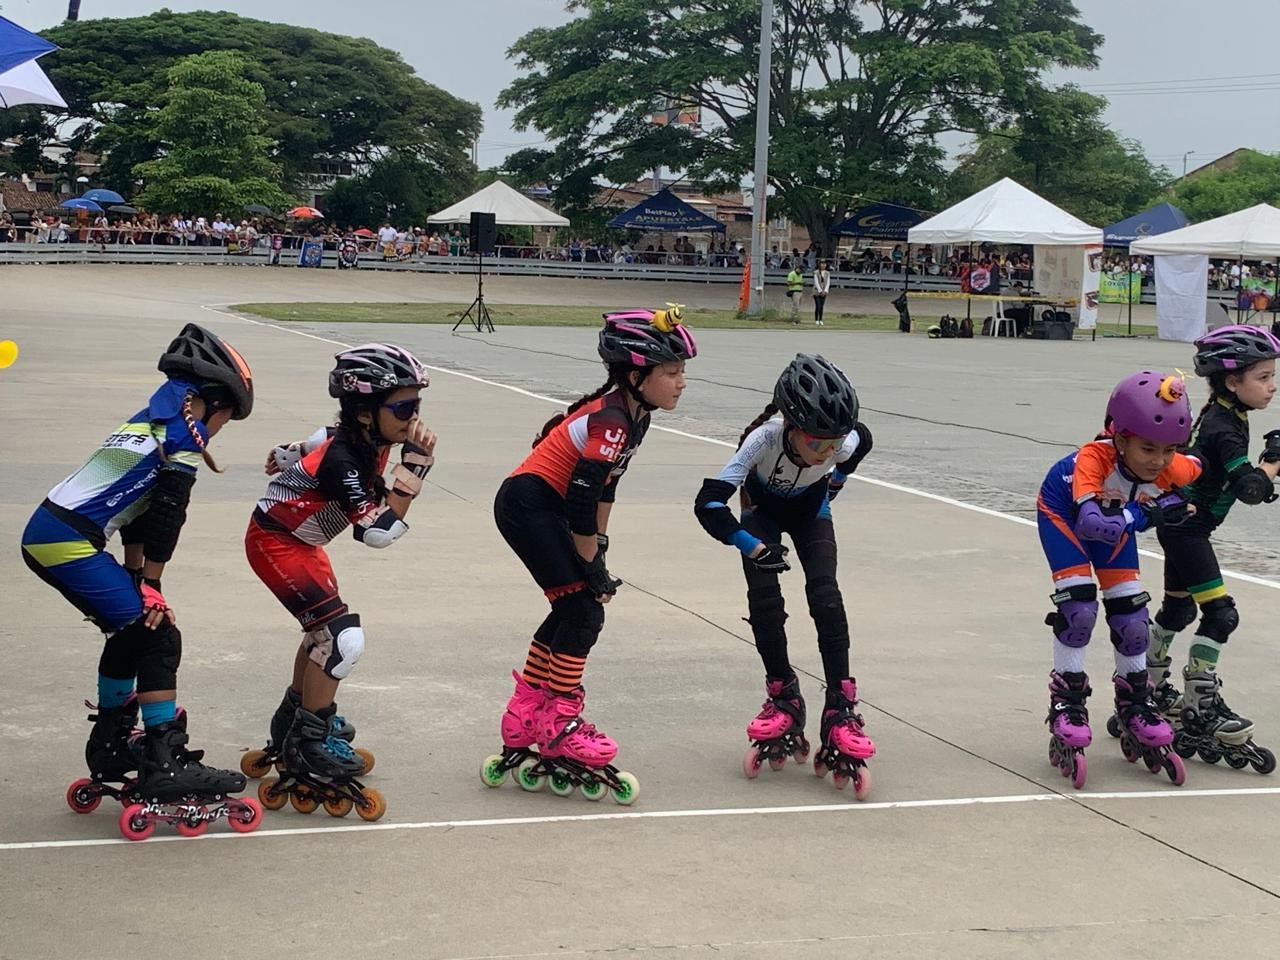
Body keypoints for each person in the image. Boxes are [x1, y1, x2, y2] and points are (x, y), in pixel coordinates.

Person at [23, 324, 261, 837]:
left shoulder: (151, 419)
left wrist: (137, 578)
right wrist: (152, 585)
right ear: (204, 403)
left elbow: (135, 510)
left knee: (131, 629)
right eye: (224, 418)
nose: (220, 430)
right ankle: (163, 760)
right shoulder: (182, 433)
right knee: (159, 633)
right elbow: (169, 512)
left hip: (51, 532)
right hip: (68, 541)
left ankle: (110, 745)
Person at [481, 306, 698, 805]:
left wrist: (598, 551)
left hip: (546, 508)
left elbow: (605, 493)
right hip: (531, 505)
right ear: (637, 375)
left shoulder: (634, 416)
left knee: (573, 607)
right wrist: (591, 565)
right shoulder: (614, 418)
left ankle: (524, 712)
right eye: (671, 372)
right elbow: (581, 497)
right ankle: (559, 721)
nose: (681, 382)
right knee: (583, 612)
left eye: (683, 371)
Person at [242, 343, 435, 821]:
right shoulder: (347, 456)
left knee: (321, 635)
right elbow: (376, 533)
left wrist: (285, 454)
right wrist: (413, 471)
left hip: (298, 541)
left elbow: (311, 441)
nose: (414, 420)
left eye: (418, 406)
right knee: (343, 640)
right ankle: (310, 741)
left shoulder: (357, 437)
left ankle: (296, 724)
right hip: (276, 541)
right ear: (367, 411)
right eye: (405, 407)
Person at [694, 354, 876, 797]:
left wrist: (835, 483)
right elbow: (708, 503)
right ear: (791, 425)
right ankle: (783, 693)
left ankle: (841, 705)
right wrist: (752, 546)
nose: (829, 452)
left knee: (826, 596)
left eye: (835, 443)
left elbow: (862, 442)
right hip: (761, 513)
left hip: (811, 510)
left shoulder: (845, 442)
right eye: (819, 444)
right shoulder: (763, 438)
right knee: (765, 600)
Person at [1036, 370, 1201, 789]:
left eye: (1168, 450)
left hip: (1113, 522)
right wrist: (1152, 511)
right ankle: (1067, 702)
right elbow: (1095, 525)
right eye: (1147, 447)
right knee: (1079, 610)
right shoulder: (1095, 457)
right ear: (1119, 437)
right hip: (1066, 517)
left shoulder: (1168, 464)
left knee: (1132, 620)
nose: (1158, 461)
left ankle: (1136, 702)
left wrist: (1181, 499)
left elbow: (1197, 472)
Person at [1147, 326, 1280, 774]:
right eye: (1262, 377)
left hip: (1183, 526)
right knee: (1221, 615)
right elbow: (1249, 488)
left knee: (1179, 612)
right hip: (1190, 530)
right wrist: (1273, 462)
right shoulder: (1226, 425)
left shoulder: (1225, 413)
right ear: (1231, 382)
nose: (1272, 385)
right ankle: (1201, 705)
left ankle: (1148, 685)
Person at [812, 259, 831, 326]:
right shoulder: (816, 272)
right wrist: (820, 291)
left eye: (824, 264)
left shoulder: (827, 273)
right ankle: (816, 319)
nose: (823, 265)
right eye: (822, 264)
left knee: (822, 306)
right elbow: (816, 282)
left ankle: (821, 319)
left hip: (824, 292)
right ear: (819, 265)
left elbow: (828, 282)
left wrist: (825, 290)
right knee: (818, 306)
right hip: (817, 291)